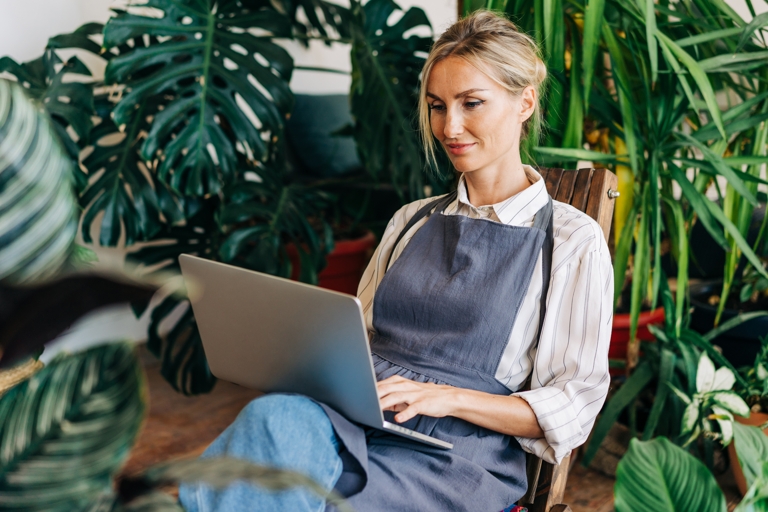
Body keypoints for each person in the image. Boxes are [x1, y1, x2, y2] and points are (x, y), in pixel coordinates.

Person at [179, 10, 613, 512]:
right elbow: (356, 337)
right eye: (437, 106)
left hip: (456, 453)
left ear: (524, 102)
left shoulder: (570, 240)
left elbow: (574, 404)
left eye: (472, 103)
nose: (450, 127)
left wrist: (447, 398)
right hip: (360, 414)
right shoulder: (410, 220)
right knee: (273, 421)